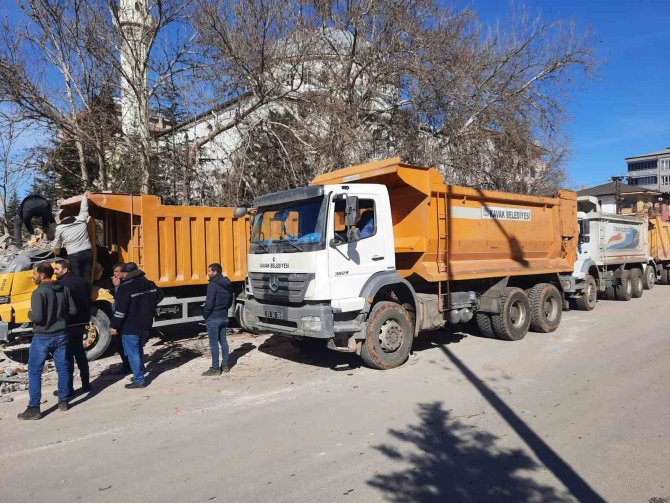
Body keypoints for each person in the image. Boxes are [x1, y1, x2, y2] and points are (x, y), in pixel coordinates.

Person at [18, 262, 76, 420]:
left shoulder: (38, 293)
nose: (33, 276)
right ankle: (63, 402)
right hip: (61, 335)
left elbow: (37, 317)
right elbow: (73, 310)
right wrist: (60, 319)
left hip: (43, 337)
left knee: (35, 372)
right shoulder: (64, 289)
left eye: (35, 273)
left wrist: (30, 314)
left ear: (42, 275)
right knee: (62, 369)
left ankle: (34, 408)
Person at [110, 262, 163, 388]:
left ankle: (139, 380)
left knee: (132, 352)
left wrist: (114, 326)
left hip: (130, 326)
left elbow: (120, 310)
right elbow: (160, 295)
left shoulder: (125, 287)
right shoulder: (149, 283)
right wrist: (150, 306)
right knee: (138, 349)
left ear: (126, 273)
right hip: (146, 323)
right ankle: (139, 372)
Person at [53, 259, 91, 397]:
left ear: (65, 269)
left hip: (68, 323)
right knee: (80, 354)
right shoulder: (83, 281)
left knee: (67, 357)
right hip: (82, 321)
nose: (54, 272)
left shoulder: (60, 284)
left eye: (57, 269)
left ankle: (68, 388)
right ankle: (86, 384)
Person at [202, 263, 233, 376]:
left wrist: (205, 315)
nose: (208, 273)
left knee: (214, 344)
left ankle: (215, 368)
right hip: (224, 316)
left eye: (209, 271)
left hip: (213, 318)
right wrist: (224, 309)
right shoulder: (227, 283)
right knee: (223, 341)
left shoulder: (212, 284)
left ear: (215, 272)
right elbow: (230, 300)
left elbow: (209, 303)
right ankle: (225, 365)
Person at [53, 192, 92, 282]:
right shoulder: (81, 219)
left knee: (77, 278)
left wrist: (56, 252)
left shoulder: (60, 228)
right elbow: (84, 209)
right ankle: (87, 294)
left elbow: (56, 244)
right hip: (87, 253)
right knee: (87, 277)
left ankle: (78, 295)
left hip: (74, 255)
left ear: (62, 218)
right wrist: (84, 198)